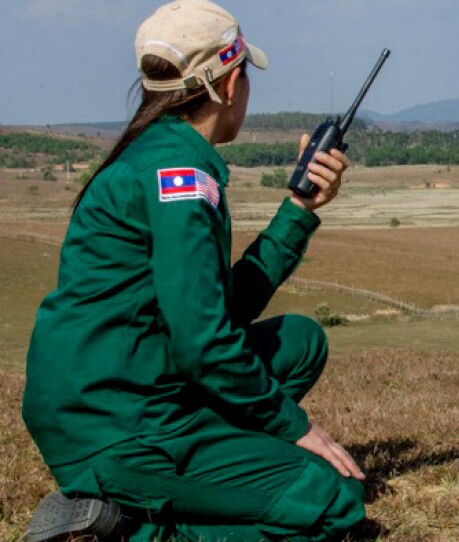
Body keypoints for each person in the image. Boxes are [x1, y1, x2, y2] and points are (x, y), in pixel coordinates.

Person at [22, 1, 367, 540]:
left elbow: (213, 312)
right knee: (333, 501)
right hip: (117, 421)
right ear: (228, 85)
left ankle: (185, 480)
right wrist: (296, 428)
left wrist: (300, 210)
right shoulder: (180, 177)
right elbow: (205, 343)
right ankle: (127, 527)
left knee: (301, 342)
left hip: (111, 390)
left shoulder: (159, 155)